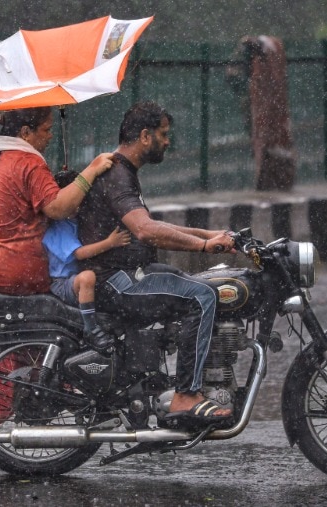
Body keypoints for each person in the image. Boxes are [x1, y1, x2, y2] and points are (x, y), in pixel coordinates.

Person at [76, 101, 236, 429]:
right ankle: (186, 395)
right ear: (145, 136)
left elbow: (148, 223)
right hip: (118, 280)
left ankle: (164, 378)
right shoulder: (117, 174)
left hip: (128, 274)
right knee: (203, 296)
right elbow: (145, 230)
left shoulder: (124, 173)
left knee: (190, 281)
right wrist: (204, 246)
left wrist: (208, 233)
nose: (168, 141)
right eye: (163, 135)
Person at [0, 107, 114, 321]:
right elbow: (58, 208)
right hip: (16, 270)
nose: (51, 135)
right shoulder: (28, 162)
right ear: (25, 133)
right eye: (46, 129)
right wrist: (91, 170)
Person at [42, 170, 131, 355]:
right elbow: (80, 254)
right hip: (62, 284)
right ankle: (90, 327)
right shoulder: (58, 228)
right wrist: (109, 243)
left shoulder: (77, 221)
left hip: (73, 281)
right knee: (88, 278)